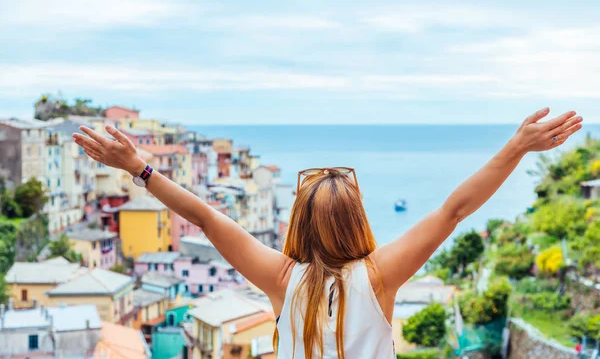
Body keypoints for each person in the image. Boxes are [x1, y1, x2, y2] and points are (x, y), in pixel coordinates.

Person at [73, 108, 582, 359]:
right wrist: (516, 146)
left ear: (298, 221)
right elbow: (454, 211)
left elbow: (207, 219)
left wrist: (139, 168)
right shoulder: (379, 278)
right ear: (357, 219)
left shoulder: (280, 277)